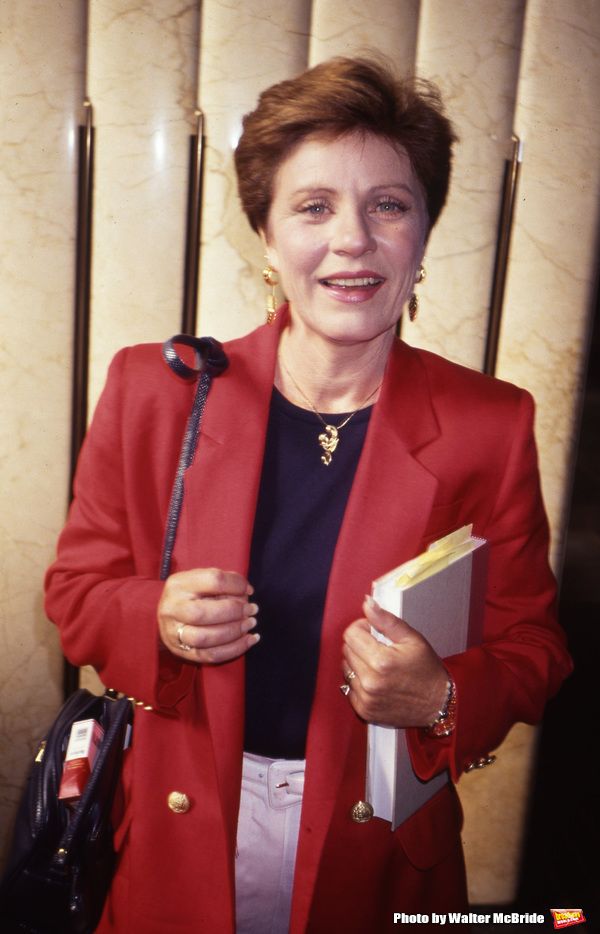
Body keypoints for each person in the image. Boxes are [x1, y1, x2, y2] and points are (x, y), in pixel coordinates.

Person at [45, 57, 572, 933]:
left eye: (389, 205)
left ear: (425, 232)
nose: (353, 240)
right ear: (265, 232)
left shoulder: (491, 423)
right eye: (314, 206)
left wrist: (442, 698)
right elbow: (75, 595)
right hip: (182, 828)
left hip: (378, 853)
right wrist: (156, 619)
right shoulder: (158, 390)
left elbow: (534, 647)